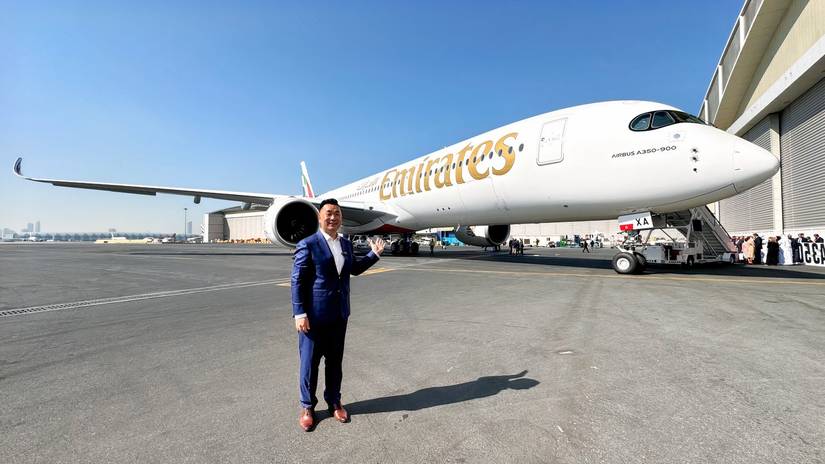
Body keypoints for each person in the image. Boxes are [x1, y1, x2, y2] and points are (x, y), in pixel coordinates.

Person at [291, 198, 384, 432]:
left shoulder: (345, 244)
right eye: (329, 213)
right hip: (313, 316)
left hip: (339, 315)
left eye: (337, 214)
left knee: (335, 363)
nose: (333, 218)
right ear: (320, 217)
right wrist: (300, 313)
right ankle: (307, 407)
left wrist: (374, 255)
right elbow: (297, 280)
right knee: (309, 364)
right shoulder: (308, 244)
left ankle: (334, 401)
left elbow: (354, 269)